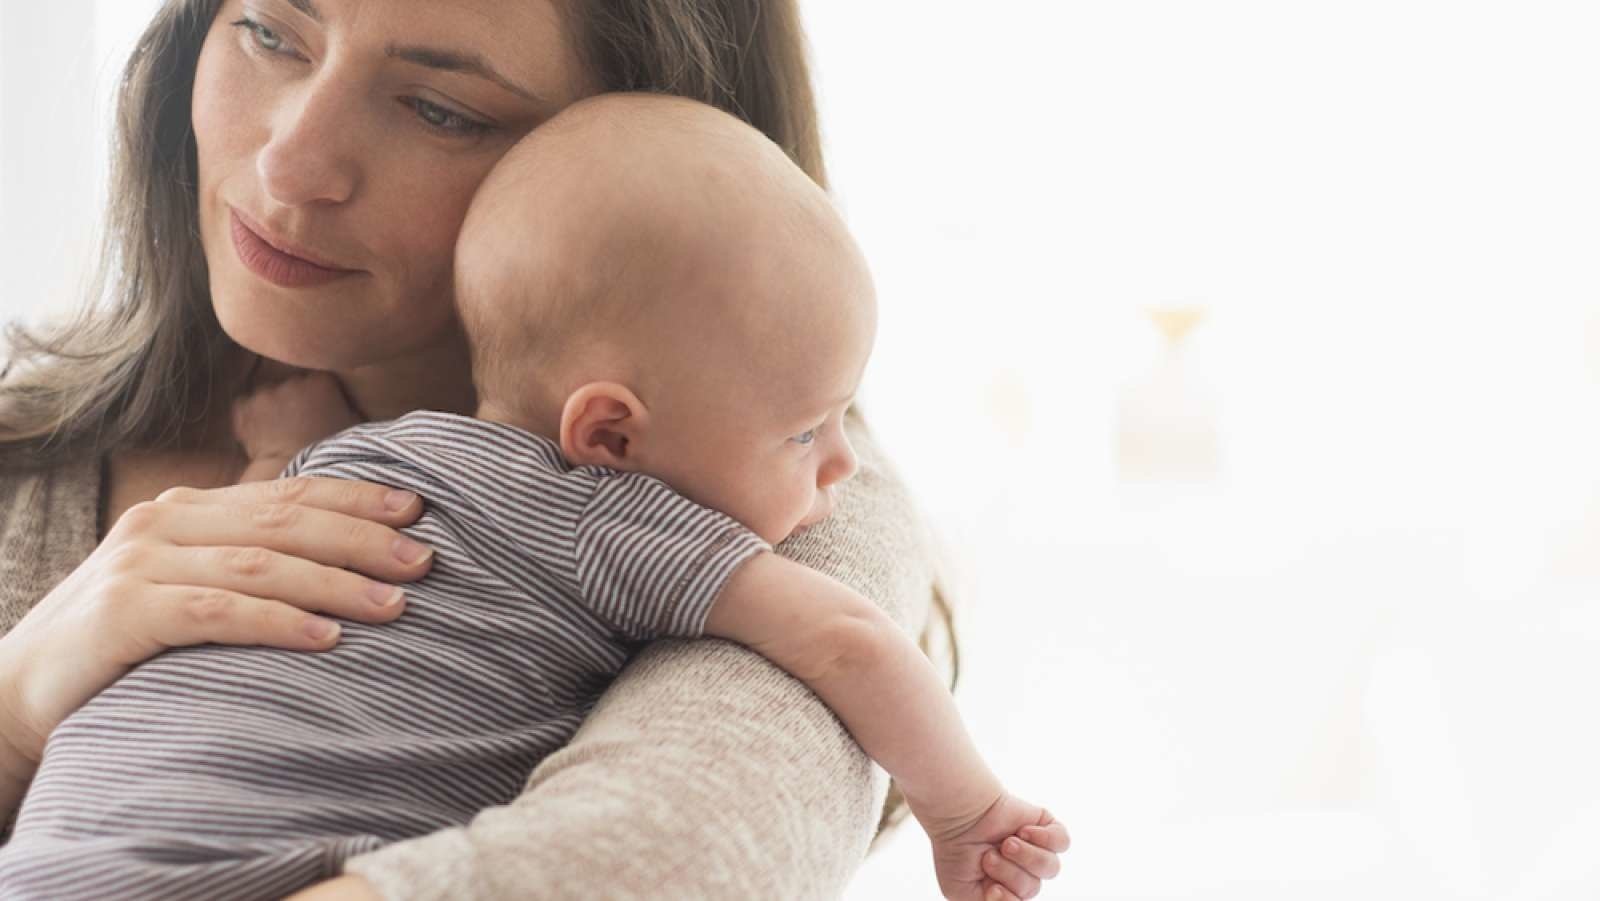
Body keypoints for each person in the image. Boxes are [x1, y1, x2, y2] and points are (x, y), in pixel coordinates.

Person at [0, 1, 1061, 898]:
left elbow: (654, 861)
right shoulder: (47, 450)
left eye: (438, 108)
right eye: (272, 32)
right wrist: (15, 700)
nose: (290, 164)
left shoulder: (794, 515)